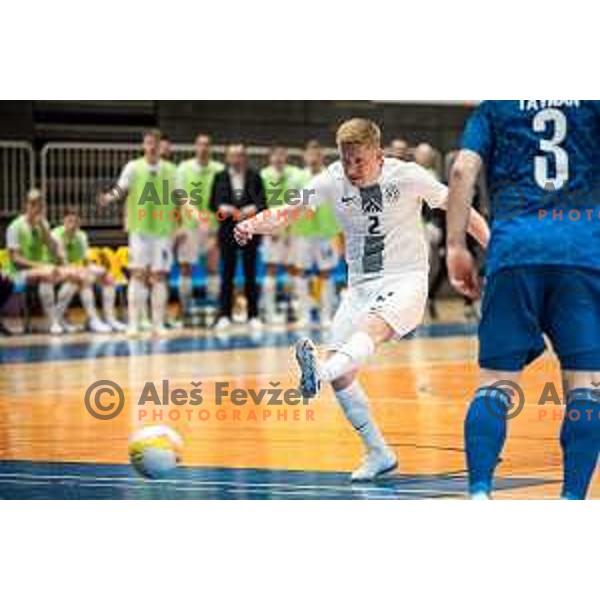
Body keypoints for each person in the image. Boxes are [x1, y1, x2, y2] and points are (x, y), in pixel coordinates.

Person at [235, 118, 489, 480]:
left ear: (378, 155)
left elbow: (458, 206)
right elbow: (286, 212)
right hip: (359, 287)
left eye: (360, 161)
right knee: (344, 376)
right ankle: (378, 453)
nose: (352, 169)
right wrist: (251, 224)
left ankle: (317, 374)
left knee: (368, 333)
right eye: (346, 160)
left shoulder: (407, 175)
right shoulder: (330, 180)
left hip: (405, 279)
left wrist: (495, 247)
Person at [447, 100, 600, 500]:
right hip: (581, 253)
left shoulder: (496, 106)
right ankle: (572, 500)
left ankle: (480, 493)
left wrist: (454, 245)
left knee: (495, 382)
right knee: (585, 387)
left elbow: (462, 169)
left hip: (515, 250)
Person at [99, 129, 178, 335]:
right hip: (140, 229)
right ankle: (134, 323)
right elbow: (121, 188)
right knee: (138, 275)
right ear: (144, 145)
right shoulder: (133, 167)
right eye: (148, 143)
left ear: (160, 146)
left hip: (162, 230)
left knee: (159, 276)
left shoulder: (171, 169)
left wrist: (190, 218)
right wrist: (108, 197)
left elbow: (182, 196)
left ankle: (158, 323)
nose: (151, 147)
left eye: (155, 143)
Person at [210, 144, 267, 331]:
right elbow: (212, 202)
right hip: (227, 231)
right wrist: (224, 208)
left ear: (245, 157)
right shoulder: (219, 177)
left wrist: (251, 209)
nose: (236, 159)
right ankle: (224, 315)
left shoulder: (255, 175)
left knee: (251, 274)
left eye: (240, 155)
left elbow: (262, 202)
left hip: (250, 230)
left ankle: (253, 315)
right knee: (227, 274)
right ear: (227, 158)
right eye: (233, 155)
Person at [5, 189, 77, 334]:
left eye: (39, 204)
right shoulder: (15, 227)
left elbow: (53, 250)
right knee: (48, 273)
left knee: (74, 276)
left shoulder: (43, 224)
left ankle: (57, 318)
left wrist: (44, 229)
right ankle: (54, 321)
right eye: (32, 204)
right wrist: (41, 266)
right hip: (18, 274)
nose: (36, 208)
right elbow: (15, 260)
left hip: (42, 271)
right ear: (25, 205)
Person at [289, 140, 341, 327]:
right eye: (310, 154)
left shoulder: (331, 176)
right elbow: (291, 203)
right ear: (304, 156)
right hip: (303, 231)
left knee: (326, 272)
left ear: (322, 156)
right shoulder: (296, 178)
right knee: (301, 272)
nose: (313, 157)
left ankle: (326, 316)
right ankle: (304, 316)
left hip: (326, 232)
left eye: (317, 154)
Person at [50, 207, 126, 332]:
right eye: (70, 221)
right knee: (79, 281)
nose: (73, 225)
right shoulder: (56, 235)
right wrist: (82, 271)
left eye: (75, 221)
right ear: (63, 221)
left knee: (108, 277)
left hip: (76, 270)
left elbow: (85, 261)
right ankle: (92, 320)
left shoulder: (81, 236)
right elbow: (62, 262)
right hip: (55, 270)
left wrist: (100, 271)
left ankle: (110, 319)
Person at [175, 134, 225, 316]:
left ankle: (215, 309)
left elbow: (223, 199)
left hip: (212, 228)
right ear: (195, 147)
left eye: (207, 145)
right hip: (189, 227)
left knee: (213, 267)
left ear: (210, 148)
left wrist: (220, 228)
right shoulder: (183, 168)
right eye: (200, 145)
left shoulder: (219, 170)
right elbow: (179, 198)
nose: (203, 148)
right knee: (186, 268)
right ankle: (184, 310)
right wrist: (178, 225)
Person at [260, 146, 302, 324]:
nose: (278, 158)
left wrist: (290, 225)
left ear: (286, 157)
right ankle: (269, 312)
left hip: (293, 229)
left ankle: (292, 309)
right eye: (275, 155)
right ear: (270, 157)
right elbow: (261, 203)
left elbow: (299, 202)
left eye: (282, 155)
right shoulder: (263, 175)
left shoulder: (296, 174)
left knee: (293, 268)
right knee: (271, 267)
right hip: (272, 230)